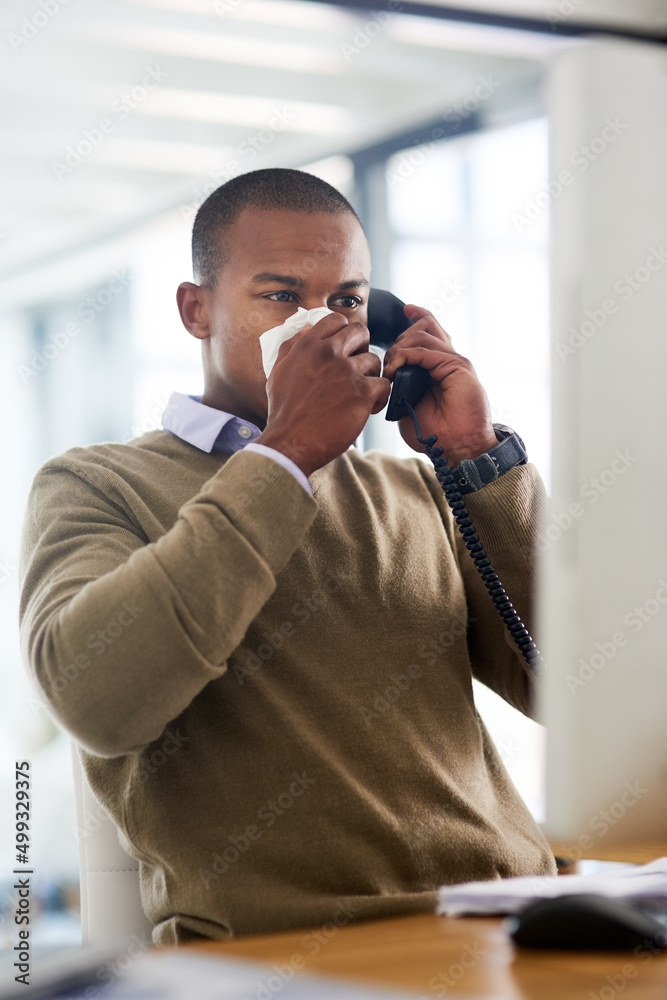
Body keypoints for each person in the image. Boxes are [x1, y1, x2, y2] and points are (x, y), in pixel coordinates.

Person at [19, 168, 557, 946]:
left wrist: (475, 459)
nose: (319, 328)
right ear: (195, 310)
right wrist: (286, 456)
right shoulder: (95, 485)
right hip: (286, 956)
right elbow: (96, 699)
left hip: (507, 924)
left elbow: (575, 692)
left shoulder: (417, 488)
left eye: (344, 300)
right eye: (279, 295)